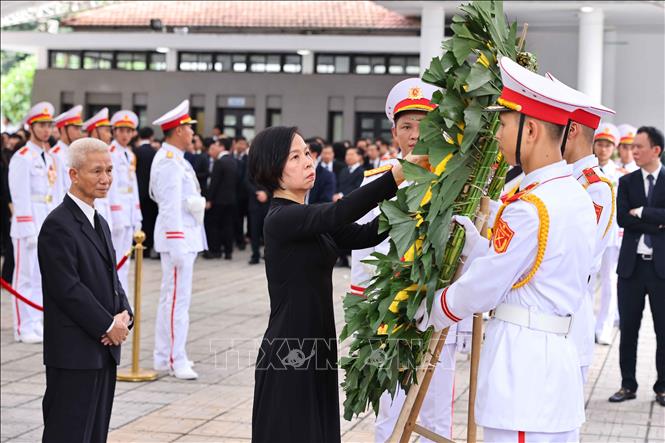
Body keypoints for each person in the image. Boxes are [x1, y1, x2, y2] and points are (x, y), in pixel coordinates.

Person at [416, 57, 597, 441]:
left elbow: (483, 290)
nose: (498, 133)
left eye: (504, 123)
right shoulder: (573, 194)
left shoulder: (530, 207)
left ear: (530, 130)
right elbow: (532, 271)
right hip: (553, 369)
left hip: (523, 376)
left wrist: (430, 309)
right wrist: (478, 245)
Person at [250, 125, 426, 443]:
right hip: (292, 346)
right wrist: (396, 176)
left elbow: (367, 233)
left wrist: (418, 200)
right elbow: (341, 211)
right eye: (295, 156)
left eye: (307, 153)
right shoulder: (281, 219)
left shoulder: (308, 217)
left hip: (317, 340)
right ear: (272, 168)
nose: (307, 161)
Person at [350, 77, 462, 442]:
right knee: (391, 410)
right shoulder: (378, 182)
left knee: (435, 412)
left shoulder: (456, 182)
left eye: (423, 125)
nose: (414, 135)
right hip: (389, 314)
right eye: (406, 126)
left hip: (438, 310)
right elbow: (363, 252)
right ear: (394, 131)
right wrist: (365, 306)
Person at [38, 137, 133, 442]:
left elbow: (110, 276)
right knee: (68, 431)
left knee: (95, 433)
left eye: (109, 170)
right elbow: (67, 288)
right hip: (74, 352)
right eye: (96, 171)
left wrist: (124, 315)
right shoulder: (58, 225)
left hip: (103, 349)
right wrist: (108, 325)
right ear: (74, 174)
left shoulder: (99, 220)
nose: (105, 179)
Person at [546, 73, 617, 379]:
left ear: (571, 130)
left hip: (570, 313)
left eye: (555, 128)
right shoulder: (564, 179)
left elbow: (579, 258)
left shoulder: (594, 187)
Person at [150, 100, 207, 380]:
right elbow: (169, 206)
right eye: (187, 128)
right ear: (176, 130)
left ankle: (165, 355)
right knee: (175, 302)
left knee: (173, 300)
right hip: (178, 238)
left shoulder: (176, 160)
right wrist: (176, 244)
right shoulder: (169, 162)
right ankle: (175, 358)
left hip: (185, 236)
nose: (192, 133)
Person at [610, 126, 665, 406]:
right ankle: (627, 384)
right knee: (628, 329)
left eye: (640, 147)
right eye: (633, 147)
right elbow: (622, 219)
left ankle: (663, 387)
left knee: (663, 330)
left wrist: (642, 212)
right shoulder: (627, 181)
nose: (634, 152)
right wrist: (658, 222)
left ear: (656, 150)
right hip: (631, 268)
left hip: (661, 270)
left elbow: (634, 216)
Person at [8, 102, 58, 343]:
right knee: (24, 276)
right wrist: (27, 228)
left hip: (45, 219)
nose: (46, 129)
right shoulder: (23, 157)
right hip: (28, 222)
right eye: (41, 125)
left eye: (49, 125)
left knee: (40, 276)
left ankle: (36, 320)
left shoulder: (47, 157)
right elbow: (19, 195)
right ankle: (22, 325)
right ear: (31, 126)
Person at [593, 123, 624, 345]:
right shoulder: (586, 171)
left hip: (612, 235)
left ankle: (603, 327)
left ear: (614, 148)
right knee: (585, 281)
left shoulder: (622, 174)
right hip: (590, 233)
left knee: (609, 281)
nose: (603, 149)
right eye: (600, 144)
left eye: (607, 145)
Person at [108, 111, 142, 293]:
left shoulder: (130, 154)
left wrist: (137, 214)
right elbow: (110, 186)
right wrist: (116, 214)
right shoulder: (110, 152)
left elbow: (133, 185)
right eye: (121, 130)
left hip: (129, 211)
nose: (125, 135)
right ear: (114, 131)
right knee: (113, 260)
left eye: (129, 131)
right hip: (117, 211)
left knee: (125, 261)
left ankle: (123, 297)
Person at [82, 108, 115, 232]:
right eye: (106, 130)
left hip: (105, 208)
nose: (110, 135)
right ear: (95, 132)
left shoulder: (107, 154)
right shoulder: (83, 156)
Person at [205, 136, 237, 260]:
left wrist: (209, 199)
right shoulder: (233, 161)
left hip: (218, 200)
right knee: (228, 225)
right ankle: (228, 252)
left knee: (214, 225)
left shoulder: (219, 162)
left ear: (222, 147)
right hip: (231, 199)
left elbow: (214, 183)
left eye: (217, 145)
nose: (215, 147)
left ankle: (215, 250)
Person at [50, 105, 84, 203]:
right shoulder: (55, 155)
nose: (79, 133)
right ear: (63, 129)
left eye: (80, 128)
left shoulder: (77, 153)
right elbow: (56, 190)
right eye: (76, 128)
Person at [134, 126, 159, 258]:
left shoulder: (135, 152)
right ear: (151, 136)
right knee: (150, 219)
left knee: (139, 219)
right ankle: (148, 247)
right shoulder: (155, 152)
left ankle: (136, 246)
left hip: (137, 192)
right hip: (151, 192)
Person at [245, 161, 270, 265]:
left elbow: (276, 182)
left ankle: (268, 254)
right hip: (254, 203)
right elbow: (246, 182)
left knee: (268, 231)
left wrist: (266, 194)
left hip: (268, 203)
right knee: (254, 231)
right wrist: (257, 192)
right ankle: (255, 255)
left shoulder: (272, 164)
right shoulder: (251, 165)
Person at [233, 136, 250, 251]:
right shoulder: (231, 157)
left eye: (244, 144)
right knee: (236, 218)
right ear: (235, 144)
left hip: (245, 193)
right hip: (233, 193)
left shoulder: (248, 158)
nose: (242, 146)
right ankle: (237, 238)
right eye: (240, 143)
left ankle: (243, 239)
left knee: (245, 218)